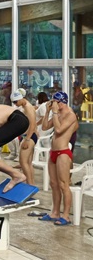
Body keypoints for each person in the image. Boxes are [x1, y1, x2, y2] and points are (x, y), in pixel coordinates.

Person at [40, 91, 79, 226]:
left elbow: (58, 130)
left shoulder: (70, 115)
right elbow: (45, 127)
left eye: (55, 103)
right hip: (53, 152)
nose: (54, 105)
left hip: (63, 153)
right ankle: (55, 212)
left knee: (63, 185)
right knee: (54, 184)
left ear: (61, 102)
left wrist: (55, 113)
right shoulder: (59, 113)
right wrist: (47, 111)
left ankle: (66, 216)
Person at [10, 90, 38, 185]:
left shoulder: (28, 108)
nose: (15, 104)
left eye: (15, 102)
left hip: (29, 137)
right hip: (29, 136)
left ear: (20, 99)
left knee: (23, 162)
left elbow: (33, 124)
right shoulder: (26, 106)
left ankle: (29, 185)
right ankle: (31, 184)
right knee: (28, 163)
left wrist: (27, 139)